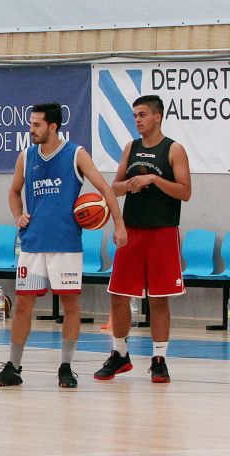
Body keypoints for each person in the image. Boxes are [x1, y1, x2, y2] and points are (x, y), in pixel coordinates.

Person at [0, 103, 126, 388]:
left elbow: (105, 190)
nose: (31, 129)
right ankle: (13, 366)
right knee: (23, 305)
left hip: (65, 245)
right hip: (32, 244)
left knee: (70, 305)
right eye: (30, 123)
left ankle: (65, 366)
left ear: (53, 126)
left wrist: (119, 225)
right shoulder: (26, 156)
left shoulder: (76, 154)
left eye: (37, 124)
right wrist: (17, 214)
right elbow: (14, 191)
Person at [95, 94, 191, 384]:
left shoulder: (174, 149)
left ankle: (159, 360)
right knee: (118, 295)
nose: (137, 120)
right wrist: (129, 185)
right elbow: (115, 188)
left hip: (162, 230)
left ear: (157, 116)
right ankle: (120, 355)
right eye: (135, 115)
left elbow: (185, 192)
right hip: (132, 230)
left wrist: (154, 180)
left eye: (142, 115)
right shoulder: (131, 147)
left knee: (159, 299)